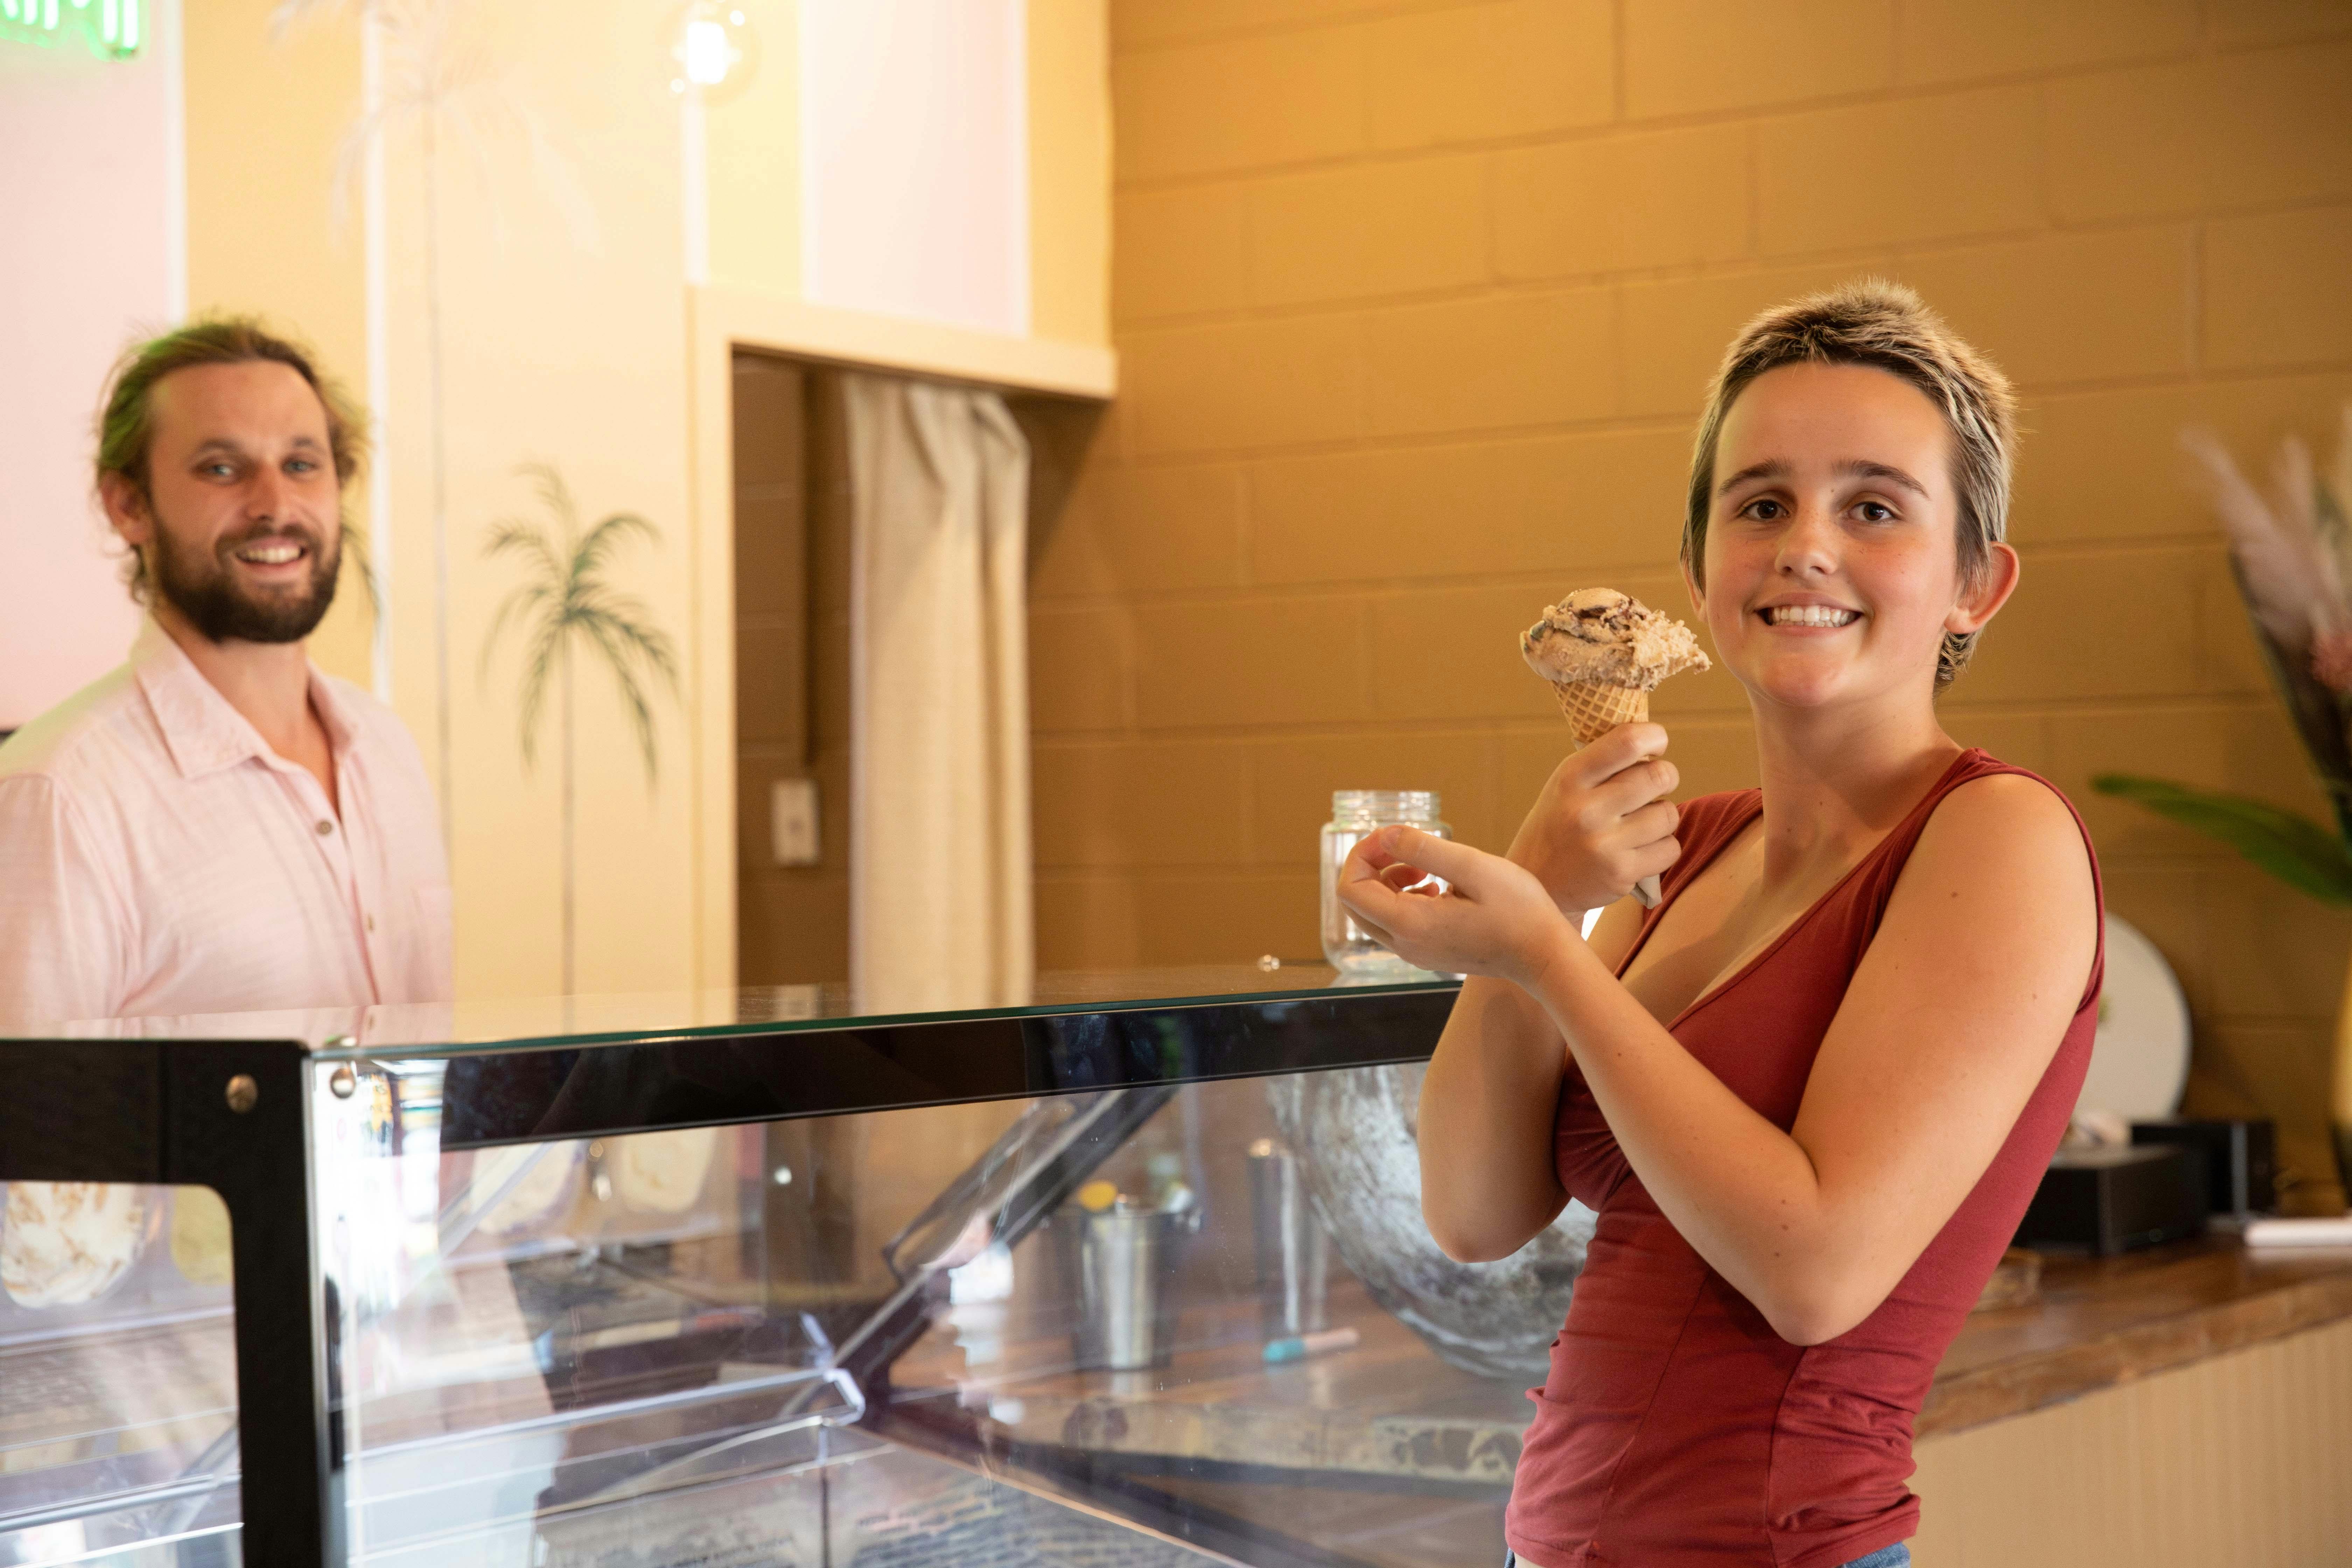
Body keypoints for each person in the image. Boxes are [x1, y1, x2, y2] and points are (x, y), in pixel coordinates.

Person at [1336, 282, 2101, 1568]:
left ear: (1978, 583)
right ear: (1696, 574)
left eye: (1873, 507)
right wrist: (1546, 880)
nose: (1807, 545)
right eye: (1761, 504)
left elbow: (1815, 1273)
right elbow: (1470, 1213)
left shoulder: (1997, 836)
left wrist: (1541, 953)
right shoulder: (1683, 849)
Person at [0, 318, 451, 1027]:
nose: (274, 503)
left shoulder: (387, 750)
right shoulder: (59, 796)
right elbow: (29, 1128)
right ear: (130, 505)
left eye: (302, 464)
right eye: (221, 468)